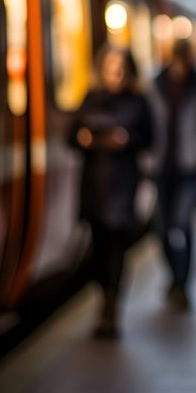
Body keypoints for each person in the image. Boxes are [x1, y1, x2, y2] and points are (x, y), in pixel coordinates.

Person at [68, 45, 154, 338]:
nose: (115, 74)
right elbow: (70, 135)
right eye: (110, 68)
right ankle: (103, 297)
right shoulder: (90, 98)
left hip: (122, 185)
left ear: (129, 72)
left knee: (116, 247)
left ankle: (111, 308)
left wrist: (127, 140)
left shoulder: (138, 101)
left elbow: (149, 138)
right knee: (97, 247)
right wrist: (84, 139)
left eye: (120, 69)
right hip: (94, 185)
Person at [151, 38, 196, 310]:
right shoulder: (156, 84)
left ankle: (183, 283)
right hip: (160, 167)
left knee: (182, 225)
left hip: (187, 168)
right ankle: (174, 276)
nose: (180, 68)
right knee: (161, 228)